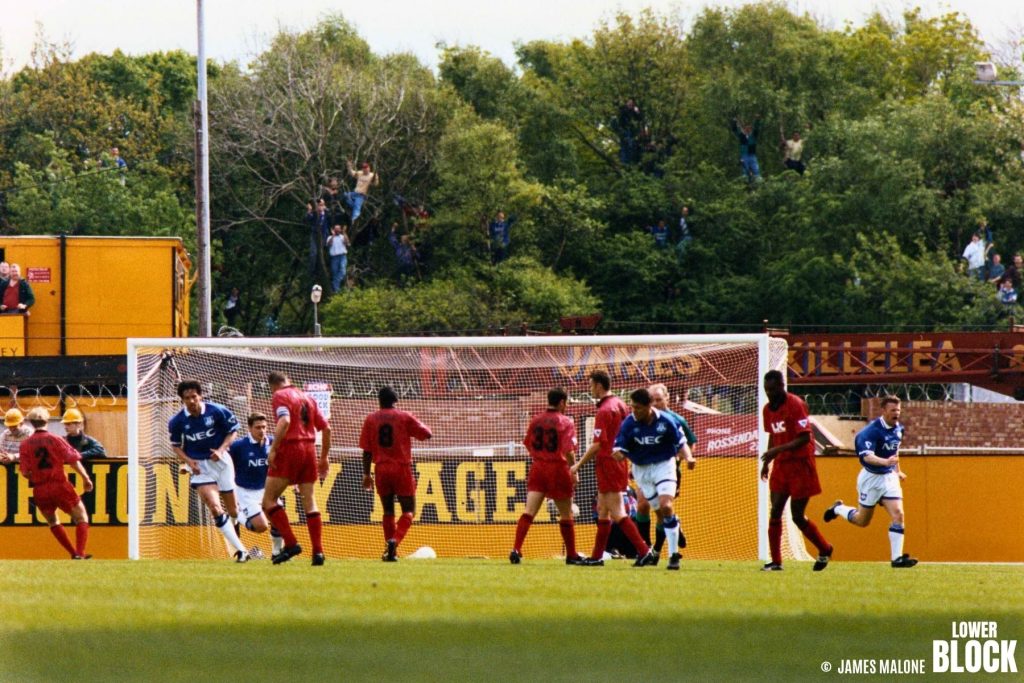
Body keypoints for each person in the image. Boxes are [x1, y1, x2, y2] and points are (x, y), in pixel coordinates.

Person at [570, 370, 654, 566]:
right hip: (619, 462)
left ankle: (644, 550)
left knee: (617, 512)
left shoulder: (605, 410)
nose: (590, 389)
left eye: (591, 385)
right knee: (603, 511)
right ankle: (597, 556)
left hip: (608, 463)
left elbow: (598, 444)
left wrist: (578, 465)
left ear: (599, 385)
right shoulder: (621, 405)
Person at [824, 396, 918, 568]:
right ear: (883, 411)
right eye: (892, 410)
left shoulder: (898, 429)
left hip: (888, 477)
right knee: (862, 521)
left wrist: (897, 471)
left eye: (898, 410)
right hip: (871, 479)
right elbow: (867, 456)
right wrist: (885, 463)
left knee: (899, 515)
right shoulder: (869, 432)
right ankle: (838, 508)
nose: (896, 413)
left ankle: (896, 559)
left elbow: (894, 451)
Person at [759, 370, 833, 571]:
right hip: (782, 465)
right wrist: (768, 460)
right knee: (775, 510)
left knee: (797, 516)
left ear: (782, 386)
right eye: (767, 389)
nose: (769, 393)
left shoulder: (796, 404)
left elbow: (805, 437)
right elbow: (773, 435)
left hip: (801, 465)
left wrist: (777, 449)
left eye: (773, 389)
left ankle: (824, 548)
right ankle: (776, 562)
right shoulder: (767, 409)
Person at [168, 380, 248, 562]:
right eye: (187, 398)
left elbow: (233, 431)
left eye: (194, 397)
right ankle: (242, 551)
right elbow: (175, 445)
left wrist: (220, 450)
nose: (191, 401)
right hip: (200, 468)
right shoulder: (177, 421)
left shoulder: (216, 410)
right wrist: (188, 461)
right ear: (182, 400)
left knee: (233, 510)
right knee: (215, 508)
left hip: (221, 463)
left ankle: (237, 528)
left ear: (200, 396)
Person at [612, 388, 687, 571]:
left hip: (664, 465)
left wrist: (689, 457)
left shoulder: (668, 420)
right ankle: (660, 540)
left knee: (666, 506)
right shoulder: (629, 423)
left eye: (637, 408)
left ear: (648, 406)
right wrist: (619, 454)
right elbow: (619, 448)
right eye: (632, 407)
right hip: (642, 470)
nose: (634, 411)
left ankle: (673, 555)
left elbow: (683, 442)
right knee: (660, 514)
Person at [262, 371, 331, 566]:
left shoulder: (279, 396)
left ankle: (291, 543)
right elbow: (326, 428)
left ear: (272, 386)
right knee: (309, 500)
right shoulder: (307, 397)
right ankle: (318, 552)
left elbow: (285, 421)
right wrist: (324, 457)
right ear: (289, 381)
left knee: (268, 500)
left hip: (290, 448)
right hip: (309, 450)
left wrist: (273, 449)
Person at [510, 387, 581, 565]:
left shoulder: (536, 420)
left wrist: (539, 456)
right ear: (562, 402)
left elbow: (527, 443)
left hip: (538, 468)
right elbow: (568, 450)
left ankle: (516, 549)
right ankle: (571, 554)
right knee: (566, 514)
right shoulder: (565, 422)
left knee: (529, 512)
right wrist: (574, 470)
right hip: (558, 469)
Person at [360, 386, 432, 562]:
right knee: (409, 510)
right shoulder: (404, 416)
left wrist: (366, 474)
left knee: (388, 510)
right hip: (401, 468)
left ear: (379, 401)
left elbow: (366, 451)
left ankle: (389, 551)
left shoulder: (370, 419)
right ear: (395, 401)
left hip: (381, 469)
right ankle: (394, 541)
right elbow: (427, 434)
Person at [18, 408, 93, 559]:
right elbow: (73, 460)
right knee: (81, 517)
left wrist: (37, 478)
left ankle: (73, 553)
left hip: (40, 489)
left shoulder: (25, 444)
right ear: (47, 421)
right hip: (59, 485)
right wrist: (86, 478)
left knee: (53, 521)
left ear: (31, 423)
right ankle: (80, 552)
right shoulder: (56, 439)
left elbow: (25, 472)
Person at [638, 383, 697, 562]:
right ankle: (645, 547)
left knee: (662, 511)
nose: (655, 404)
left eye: (658, 400)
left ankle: (656, 550)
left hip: (668, 471)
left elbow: (689, 441)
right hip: (646, 469)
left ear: (667, 398)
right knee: (642, 505)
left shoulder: (676, 419)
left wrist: (685, 457)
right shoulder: (641, 419)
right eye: (652, 400)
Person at [228, 413, 284, 559]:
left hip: (267, 490)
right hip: (245, 492)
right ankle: (235, 514)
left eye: (264, 427)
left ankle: (277, 553)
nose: (262, 431)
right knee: (261, 526)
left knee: (280, 520)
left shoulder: (272, 443)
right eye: (258, 427)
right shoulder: (239, 446)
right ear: (250, 428)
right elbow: (224, 461)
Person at [730, 117, 762, 183]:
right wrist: (734, 122)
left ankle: (758, 180)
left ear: (750, 129)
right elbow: (735, 130)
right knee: (745, 170)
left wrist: (757, 120)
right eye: (746, 129)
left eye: (749, 129)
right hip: (744, 155)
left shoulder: (753, 136)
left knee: (756, 169)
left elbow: (756, 129)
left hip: (752, 155)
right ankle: (745, 181)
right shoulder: (741, 136)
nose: (748, 130)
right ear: (744, 129)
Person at [304, 199, 331, 276]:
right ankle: (311, 271)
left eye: (322, 205)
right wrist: (309, 210)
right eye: (319, 205)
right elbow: (307, 219)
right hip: (315, 235)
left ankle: (323, 271)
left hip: (324, 235)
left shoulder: (327, 213)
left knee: (324, 254)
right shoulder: (314, 213)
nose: (321, 207)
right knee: (313, 253)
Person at [326, 224, 350, 294]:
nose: (337, 231)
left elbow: (347, 243)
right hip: (334, 258)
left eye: (338, 229)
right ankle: (336, 291)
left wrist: (344, 233)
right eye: (336, 229)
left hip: (342, 256)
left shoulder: (342, 237)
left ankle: (335, 282)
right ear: (333, 230)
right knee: (334, 273)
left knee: (342, 271)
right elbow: (328, 244)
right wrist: (333, 235)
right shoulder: (330, 237)